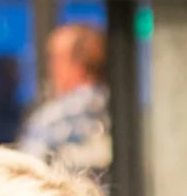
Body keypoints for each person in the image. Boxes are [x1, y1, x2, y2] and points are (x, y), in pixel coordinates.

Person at [14, 23, 113, 182]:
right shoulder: (124, 114)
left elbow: (26, 179)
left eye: (55, 59)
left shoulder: (52, 119)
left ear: (76, 63)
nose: (52, 69)